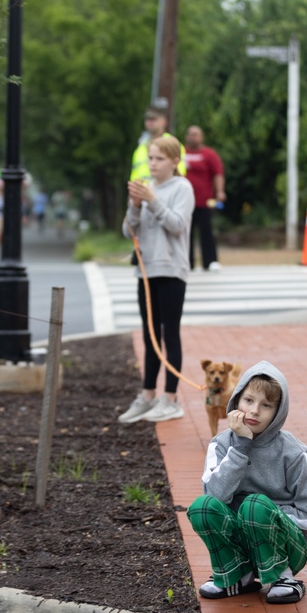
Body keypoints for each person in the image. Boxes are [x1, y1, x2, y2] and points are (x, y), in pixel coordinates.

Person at [187, 361, 307, 605]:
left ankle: (283, 577)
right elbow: (213, 496)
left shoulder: (295, 453)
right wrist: (240, 447)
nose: (254, 411)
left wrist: (269, 514)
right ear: (236, 400)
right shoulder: (220, 445)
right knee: (202, 506)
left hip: (288, 547)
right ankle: (236, 575)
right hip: (243, 540)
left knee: (254, 506)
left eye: (266, 405)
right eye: (249, 401)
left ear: (278, 412)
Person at [118, 135, 194, 424]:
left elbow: (177, 225)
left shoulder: (182, 188)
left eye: (159, 158)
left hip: (172, 270)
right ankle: (147, 395)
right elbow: (129, 232)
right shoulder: (145, 188)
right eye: (150, 158)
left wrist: (153, 201)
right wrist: (136, 205)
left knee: (169, 332)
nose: (153, 163)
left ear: (174, 161)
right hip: (146, 270)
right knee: (150, 336)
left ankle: (171, 398)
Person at [184, 125, 226, 271]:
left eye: (195, 134)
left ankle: (210, 261)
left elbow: (218, 174)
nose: (192, 137)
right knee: (185, 232)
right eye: (189, 134)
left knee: (206, 230)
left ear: (201, 137)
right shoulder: (181, 153)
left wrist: (220, 192)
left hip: (204, 201)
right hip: (184, 202)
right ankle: (187, 262)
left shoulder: (209, 154)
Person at [130, 101, 185, 184]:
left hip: (164, 193)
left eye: (154, 119)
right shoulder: (141, 147)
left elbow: (179, 172)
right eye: (148, 119)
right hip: (142, 194)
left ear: (164, 121)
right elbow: (134, 176)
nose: (150, 122)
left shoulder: (172, 143)